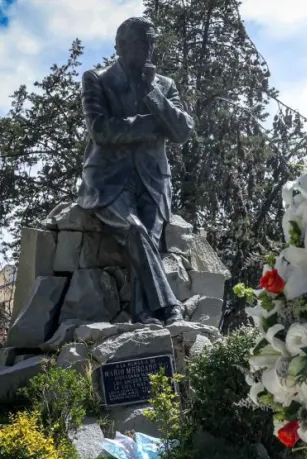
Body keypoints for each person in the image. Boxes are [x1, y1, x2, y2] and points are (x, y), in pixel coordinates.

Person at [78, 17, 195, 326]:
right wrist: (150, 124)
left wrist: (150, 94)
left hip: (153, 180)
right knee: (136, 230)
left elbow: (182, 131)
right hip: (108, 179)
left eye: (150, 44)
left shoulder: (164, 86)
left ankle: (143, 314)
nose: (147, 51)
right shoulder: (97, 80)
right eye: (139, 44)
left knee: (149, 238)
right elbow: (100, 130)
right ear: (119, 47)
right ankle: (170, 308)